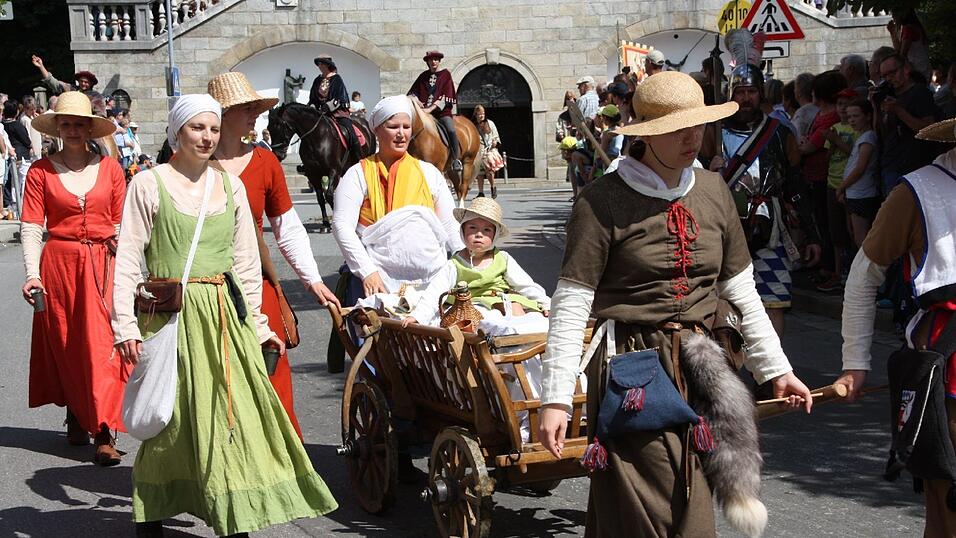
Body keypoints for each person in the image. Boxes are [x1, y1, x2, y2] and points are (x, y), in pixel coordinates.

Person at [539, 72, 813, 538]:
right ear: (646, 134)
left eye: (699, 125)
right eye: (677, 128)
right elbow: (572, 301)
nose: (693, 138)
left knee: (692, 494)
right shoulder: (601, 200)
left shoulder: (713, 190)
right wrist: (556, 398)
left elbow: (742, 290)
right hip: (634, 368)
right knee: (652, 504)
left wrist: (776, 370)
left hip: (703, 364)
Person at [112, 94, 337, 537]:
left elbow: (246, 264)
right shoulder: (148, 183)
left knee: (229, 416)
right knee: (170, 417)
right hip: (172, 316)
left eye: (213, 129)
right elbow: (126, 260)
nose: (207, 137)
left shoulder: (229, 187)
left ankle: (234, 520)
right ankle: (155, 512)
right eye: (197, 128)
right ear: (178, 131)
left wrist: (258, 324)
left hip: (222, 316)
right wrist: (124, 324)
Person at [835, 117, 956, 537]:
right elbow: (863, 276)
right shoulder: (918, 192)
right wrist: (855, 362)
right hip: (949, 379)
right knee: (950, 513)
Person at [208, 70, 339, 439]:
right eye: (245, 107)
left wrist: (312, 278)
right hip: (204, 285)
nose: (255, 114)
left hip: (256, 282)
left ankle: (284, 465)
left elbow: (287, 227)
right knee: (217, 380)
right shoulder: (191, 163)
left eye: (256, 107)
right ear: (221, 113)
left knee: (273, 374)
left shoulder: (265, 162)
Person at [19, 92, 126, 465]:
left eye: (80, 123)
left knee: (102, 345)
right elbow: (32, 227)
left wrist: (130, 267)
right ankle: (77, 414)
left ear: (91, 128)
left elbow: (119, 222)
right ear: (58, 129)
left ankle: (104, 430)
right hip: (60, 265)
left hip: (102, 262)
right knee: (68, 343)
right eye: (66, 123)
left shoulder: (111, 169)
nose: (74, 129)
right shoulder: (39, 172)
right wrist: (33, 275)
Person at [702, 59, 822, 338]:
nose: (746, 98)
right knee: (724, 302)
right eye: (740, 91)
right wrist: (710, 169)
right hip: (725, 229)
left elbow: (795, 185)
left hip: (769, 228)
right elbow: (694, 179)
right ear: (731, 93)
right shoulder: (712, 132)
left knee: (773, 302)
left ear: (761, 93)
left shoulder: (779, 134)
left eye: (752, 91)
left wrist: (813, 234)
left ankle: (772, 377)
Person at [332, 95, 464, 300]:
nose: (401, 134)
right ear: (376, 129)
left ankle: (455, 155)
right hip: (375, 277)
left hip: (430, 279)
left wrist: (465, 264)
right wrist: (368, 272)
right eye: (393, 127)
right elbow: (342, 226)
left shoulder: (429, 173)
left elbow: (450, 225)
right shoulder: (358, 174)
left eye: (406, 126)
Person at [403, 197, 550, 326]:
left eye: (487, 230)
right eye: (473, 228)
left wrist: (546, 304)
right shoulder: (455, 264)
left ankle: (522, 346)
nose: (479, 234)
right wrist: (418, 316)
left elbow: (526, 284)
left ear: (495, 235)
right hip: (472, 305)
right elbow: (436, 291)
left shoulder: (503, 258)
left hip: (501, 300)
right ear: (463, 231)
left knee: (521, 311)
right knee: (484, 320)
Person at [798, 71, 847, 287]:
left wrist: (801, 146)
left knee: (826, 224)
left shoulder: (831, 117)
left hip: (823, 174)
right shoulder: (823, 113)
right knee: (822, 221)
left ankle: (830, 268)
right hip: (815, 173)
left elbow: (811, 145)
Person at [874, 53, 940, 195]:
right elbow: (882, 133)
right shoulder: (890, 96)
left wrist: (898, 110)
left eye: (892, 73)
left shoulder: (920, 92)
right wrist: (876, 107)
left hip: (914, 166)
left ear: (906, 69)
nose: (888, 79)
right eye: (884, 76)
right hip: (892, 163)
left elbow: (928, 128)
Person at [817, 87, 859, 292]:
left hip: (851, 186)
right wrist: (832, 142)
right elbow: (827, 156)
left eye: (846, 105)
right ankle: (837, 272)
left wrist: (837, 141)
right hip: (832, 184)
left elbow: (855, 154)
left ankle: (853, 273)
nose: (842, 109)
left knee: (853, 233)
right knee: (836, 233)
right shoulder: (834, 127)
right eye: (840, 105)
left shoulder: (857, 130)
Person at [835, 99, 879, 248]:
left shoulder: (868, 137)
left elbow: (860, 168)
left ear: (867, 116)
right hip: (855, 193)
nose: (852, 120)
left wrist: (841, 187)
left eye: (856, 116)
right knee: (855, 234)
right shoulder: (862, 137)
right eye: (849, 117)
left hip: (862, 194)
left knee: (861, 238)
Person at [408, 50, 462, 171]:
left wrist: (430, 109)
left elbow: (446, 96)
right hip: (423, 114)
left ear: (439, 61)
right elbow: (412, 93)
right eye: (431, 60)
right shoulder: (423, 76)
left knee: (451, 130)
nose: (434, 62)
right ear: (427, 62)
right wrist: (417, 101)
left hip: (441, 113)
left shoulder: (445, 75)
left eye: (436, 59)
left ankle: (455, 159)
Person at [308, 56, 362, 163]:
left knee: (350, 131)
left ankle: (358, 159)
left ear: (328, 65)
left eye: (321, 63)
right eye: (318, 64)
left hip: (338, 112)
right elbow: (313, 98)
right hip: (320, 113)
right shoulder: (317, 80)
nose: (319, 66)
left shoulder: (337, 79)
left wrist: (327, 107)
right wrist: (313, 107)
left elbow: (340, 97)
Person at [32, 55, 107, 116]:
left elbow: (101, 116)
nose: (83, 84)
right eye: (81, 81)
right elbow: (53, 82)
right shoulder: (71, 89)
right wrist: (41, 66)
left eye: (86, 82)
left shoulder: (96, 97)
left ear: (91, 83)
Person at [3, 100, 32, 215]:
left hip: (11, 156)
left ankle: (15, 205)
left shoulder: (3, 125)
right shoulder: (17, 125)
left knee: (14, 183)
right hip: (22, 155)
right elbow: (26, 140)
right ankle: (24, 204)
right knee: (24, 180)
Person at [887, 8, 931, 80]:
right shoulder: (915, 27)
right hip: (923, 69)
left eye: (894, 15)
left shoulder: (908, 29)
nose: (893, 17)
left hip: (918, 72)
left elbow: (901, 54)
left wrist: (893, 32)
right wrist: (893, 32)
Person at [472, 105, 503, 198]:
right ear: (476, 115)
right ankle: (481, 192)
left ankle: (493, 186)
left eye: (483, 113)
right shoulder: (473, 125)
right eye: (480, 114)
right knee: (479, 173)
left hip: (489, 150)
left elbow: (496, 136)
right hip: (479, 151)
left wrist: (495, 142)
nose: (482, 116)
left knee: (490, 171)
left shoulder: (490, 123)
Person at [790, 73, 818, 138]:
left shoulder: (802, 113)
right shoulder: (819, 108)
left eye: (795, 88)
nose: (794, 91)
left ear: (799, 92)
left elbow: (797, 137)